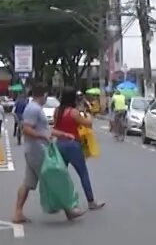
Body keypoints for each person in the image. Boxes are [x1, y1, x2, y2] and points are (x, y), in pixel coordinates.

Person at [14, 83, 85, 223]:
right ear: (44, 95)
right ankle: (69, 209)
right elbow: (26, 129)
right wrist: (43, 137)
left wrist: (63, 134)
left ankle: (18, 212)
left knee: (28, 183)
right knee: (57, 176)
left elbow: (45, 129)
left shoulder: (35, 108)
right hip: (37, 150)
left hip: (33, 150)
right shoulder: (33, 109)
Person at [53, 89, 105, 211]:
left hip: (59, 143)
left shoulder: (57, 111)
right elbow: (87, 124)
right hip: (73, 144)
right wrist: (89, 115)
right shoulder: (74, 112)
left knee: (62, 174)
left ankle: (59, 201)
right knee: (83, 173)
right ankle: (91, 202)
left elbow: (55, 126)